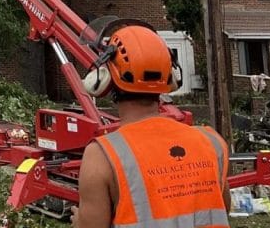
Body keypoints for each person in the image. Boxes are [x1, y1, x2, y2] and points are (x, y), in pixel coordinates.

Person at [71, 22, 230, 228]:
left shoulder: (101, 157)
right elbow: (222, 209)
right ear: (170, 78)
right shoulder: (211, 142)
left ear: (106, 80)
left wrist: (79, 222)